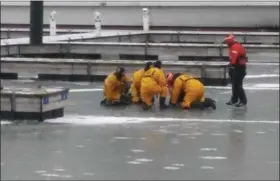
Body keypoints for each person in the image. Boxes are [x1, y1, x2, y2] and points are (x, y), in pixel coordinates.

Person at [224, 33, 247, 107]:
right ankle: (234, 99)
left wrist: (231, 66)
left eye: (227, 42)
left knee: (238, 85)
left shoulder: (235, 47)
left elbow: (234, 59)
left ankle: (243, 101)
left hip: (238, 68)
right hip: (237, 68)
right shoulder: (234, 46)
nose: (226, 44)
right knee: (235, 85)